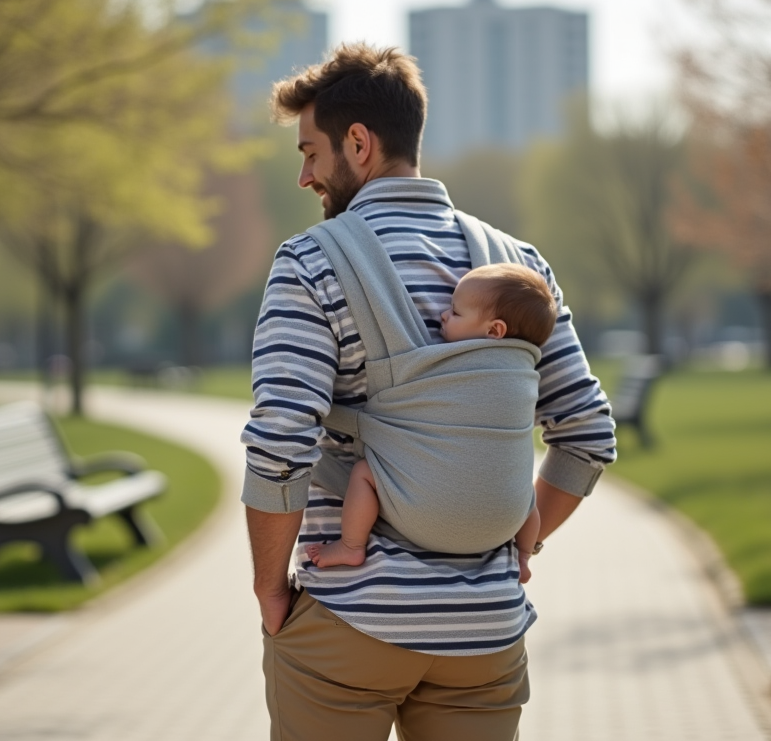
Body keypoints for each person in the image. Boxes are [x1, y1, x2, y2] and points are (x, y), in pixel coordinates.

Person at [241, 42, 616, 741]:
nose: (304, 176)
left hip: (350, 626)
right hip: (485, 634)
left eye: (311, 153)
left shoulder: (309, 262)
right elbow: (588, 435)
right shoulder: (519, 264)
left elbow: (280, 443)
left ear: (359, 143)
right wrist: (510, 544)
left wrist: (270, 587)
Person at [306, 263, 557, 580]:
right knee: (525, 493)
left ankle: (351, 545)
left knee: (364, 473)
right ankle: (522, 557)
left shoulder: (442, 363)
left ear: (494, 331)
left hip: (425, 517)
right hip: (504, 522)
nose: (443, 315)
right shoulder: (523, 374)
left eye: (455, 312)